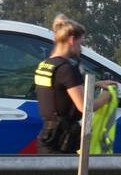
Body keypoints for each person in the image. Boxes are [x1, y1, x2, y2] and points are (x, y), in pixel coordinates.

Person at [34, 14, 113, 154]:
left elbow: (59, 90)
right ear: (71, 40)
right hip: (63, 141)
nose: (81, 48)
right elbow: (84, 107)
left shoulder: (46, 65)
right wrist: (108, 96)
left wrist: (95, 84)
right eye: (81, 43)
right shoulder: (67, 69)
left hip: (48, 138)